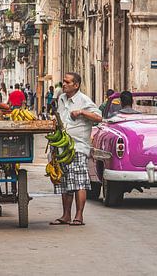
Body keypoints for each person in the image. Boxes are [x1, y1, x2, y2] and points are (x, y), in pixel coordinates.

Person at [50, 72, 102, 226]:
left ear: (76, 85)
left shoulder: (83, 100)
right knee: (65, 182)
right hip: (63, 147)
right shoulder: (61, 98)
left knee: (79, 182)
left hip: (78, 146)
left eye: (67, 82)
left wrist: (81, 112)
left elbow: (99, 117)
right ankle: (66, 215)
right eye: (63, 82)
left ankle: (79, 216)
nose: (64, 84)